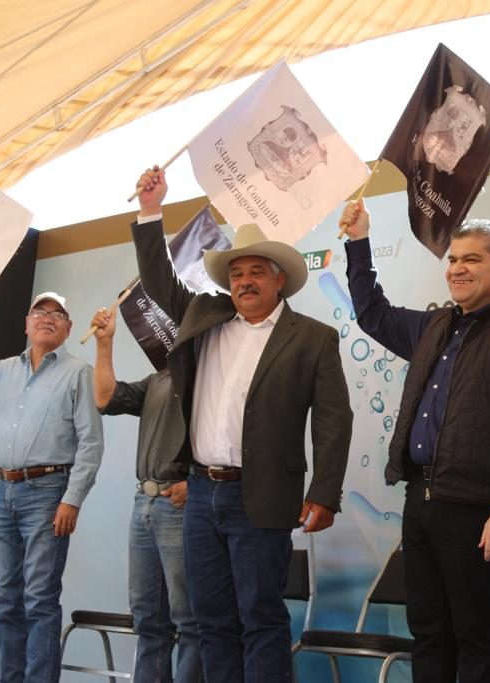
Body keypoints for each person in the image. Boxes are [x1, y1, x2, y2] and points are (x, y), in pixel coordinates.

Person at [131, 167, 352, 683]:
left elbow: (333, 420)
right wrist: (150, 211)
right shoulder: (204, 317)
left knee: (261, 618)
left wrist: (324, 492)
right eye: (236, 274)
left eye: (255, 272)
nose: (244, 281)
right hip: (200, 495)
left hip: (264, 495)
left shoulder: (312, 338)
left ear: (279, 279)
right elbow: (158, 281)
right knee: (211, 622)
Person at [339, 200, 490, 683]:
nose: (457, 268)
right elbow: (372, 314)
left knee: (474, 636)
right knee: (428, 632)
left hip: (476, 510)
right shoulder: (433, 325)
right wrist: (358, 242)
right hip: (420, 501)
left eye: (471, 259)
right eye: (453, 259)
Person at [0, 291, 103, 683]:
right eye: (39, 312)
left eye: (57, 314)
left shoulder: (78, 373)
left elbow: (91, 443)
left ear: (67, 329)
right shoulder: (1, 371)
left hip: (48, 493)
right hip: (3, 492)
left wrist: (72, 499)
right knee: (5, 601)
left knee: (39, 600)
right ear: (26, 324)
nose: (47, 318)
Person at [90, 306, 202, 682]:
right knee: (148, 619)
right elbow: (105, 397)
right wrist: (105, 343)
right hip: (145, 503)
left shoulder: (209, 378)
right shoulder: (158, 378)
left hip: (180, 505)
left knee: (189, 619)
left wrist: (199, 483)